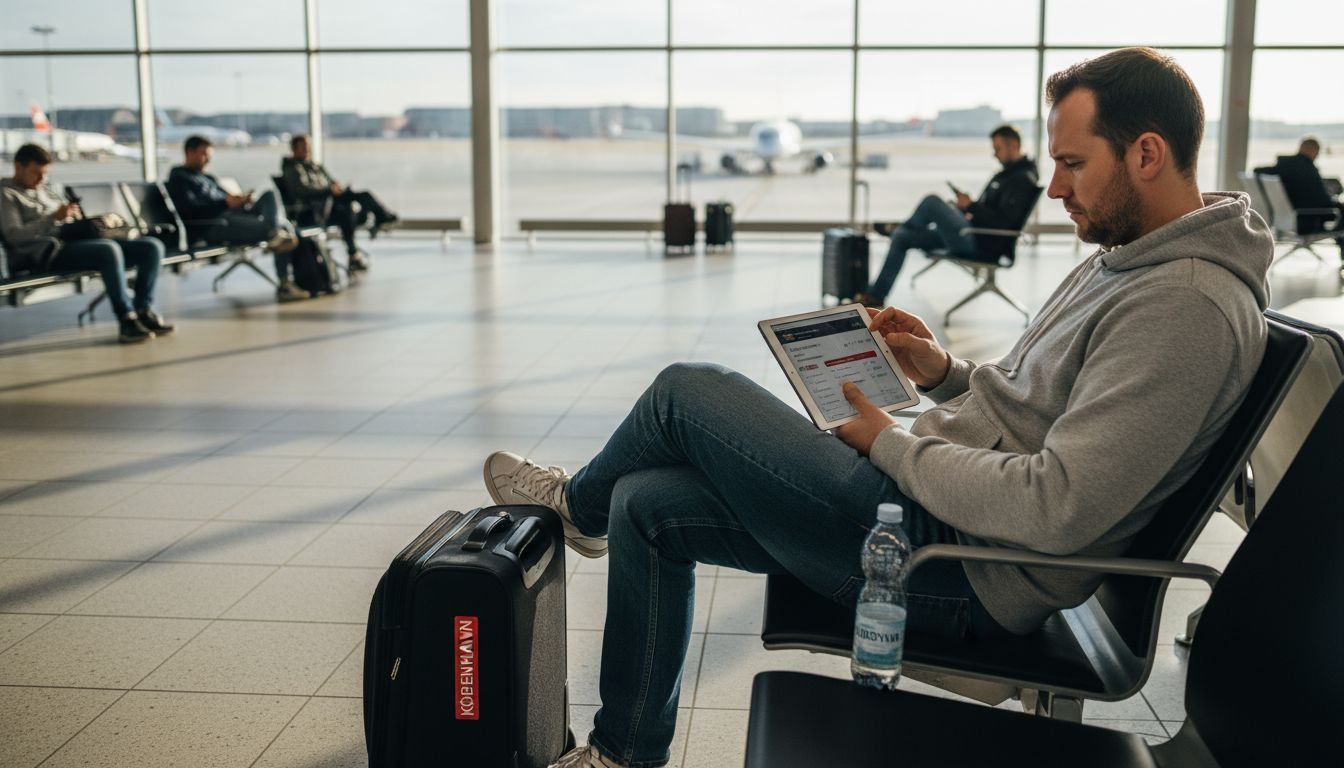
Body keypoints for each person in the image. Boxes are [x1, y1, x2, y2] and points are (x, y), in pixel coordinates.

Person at [481, 47, 1271, 768]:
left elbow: (1058, 508)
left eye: (1071, 163)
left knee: (686, 391)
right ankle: (623, 753)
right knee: (646, 503)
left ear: (1147, 153)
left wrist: (887, 444)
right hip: (932, 512)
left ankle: (572, 510)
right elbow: (1041, 409)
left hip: (954, 566)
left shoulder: (1186, 307)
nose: (1055, 186)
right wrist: (944, 374)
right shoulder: (1132, 263)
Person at [0, 143, 173, 343]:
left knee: (151, 247)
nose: (40, 179)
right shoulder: (6, 195)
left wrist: (76, 219)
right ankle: (126, 318)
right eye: (35, 173)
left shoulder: (45, 190)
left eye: (44, 174)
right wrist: (52, 218)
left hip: (74, 242)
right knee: (108, 250)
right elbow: (14, 235)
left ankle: (143, 309)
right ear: (18, 167)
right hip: (47, 253)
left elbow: (65, 219)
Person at [856, 125, 1039, 307]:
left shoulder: (1022, 179)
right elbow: (989, 212)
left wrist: (971, 206)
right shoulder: (1006, 175)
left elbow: (1002, 223)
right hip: (972, 232)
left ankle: (901, 226)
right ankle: (876, 296)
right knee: (902, 237)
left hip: (982, 244)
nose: (994, 154)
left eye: (997, 148)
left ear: (1013, 145)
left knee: (932, 201)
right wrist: (964, 209)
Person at [164, 135, 308, 302]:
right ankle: (284, 281)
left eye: (209, 155)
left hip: (232, 216)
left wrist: (240, 201)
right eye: (204, 154)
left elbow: (225, 199)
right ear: (189, 152)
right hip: (214, 224)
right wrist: (225, 203)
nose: (208, 159)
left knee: (270, 195)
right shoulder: (179, 178)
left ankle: (274, 234)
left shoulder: (208, 178)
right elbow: (189, 211)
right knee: (283, 228)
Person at [280, 134, 398, 271]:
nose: (308, 150)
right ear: (294, 149)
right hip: (314, 210)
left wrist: (334, 187)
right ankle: (380, 220)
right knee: (351, 209)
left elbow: (329, 181)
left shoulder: (314, 166)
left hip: (328, 203)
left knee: (352, 206)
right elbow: (303, 191)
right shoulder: (292, 169)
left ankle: (359, 247)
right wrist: (328, 190)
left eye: (308, 147)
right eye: (304, 147)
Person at [1254, 137, 1343, 252]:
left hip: (1286, 218)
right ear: (1313, 151)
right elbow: (1324, 202)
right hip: (1306, 221)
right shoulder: (1307, 168)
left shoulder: (1284, 166)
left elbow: (1257, 170)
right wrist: (1335, 202)